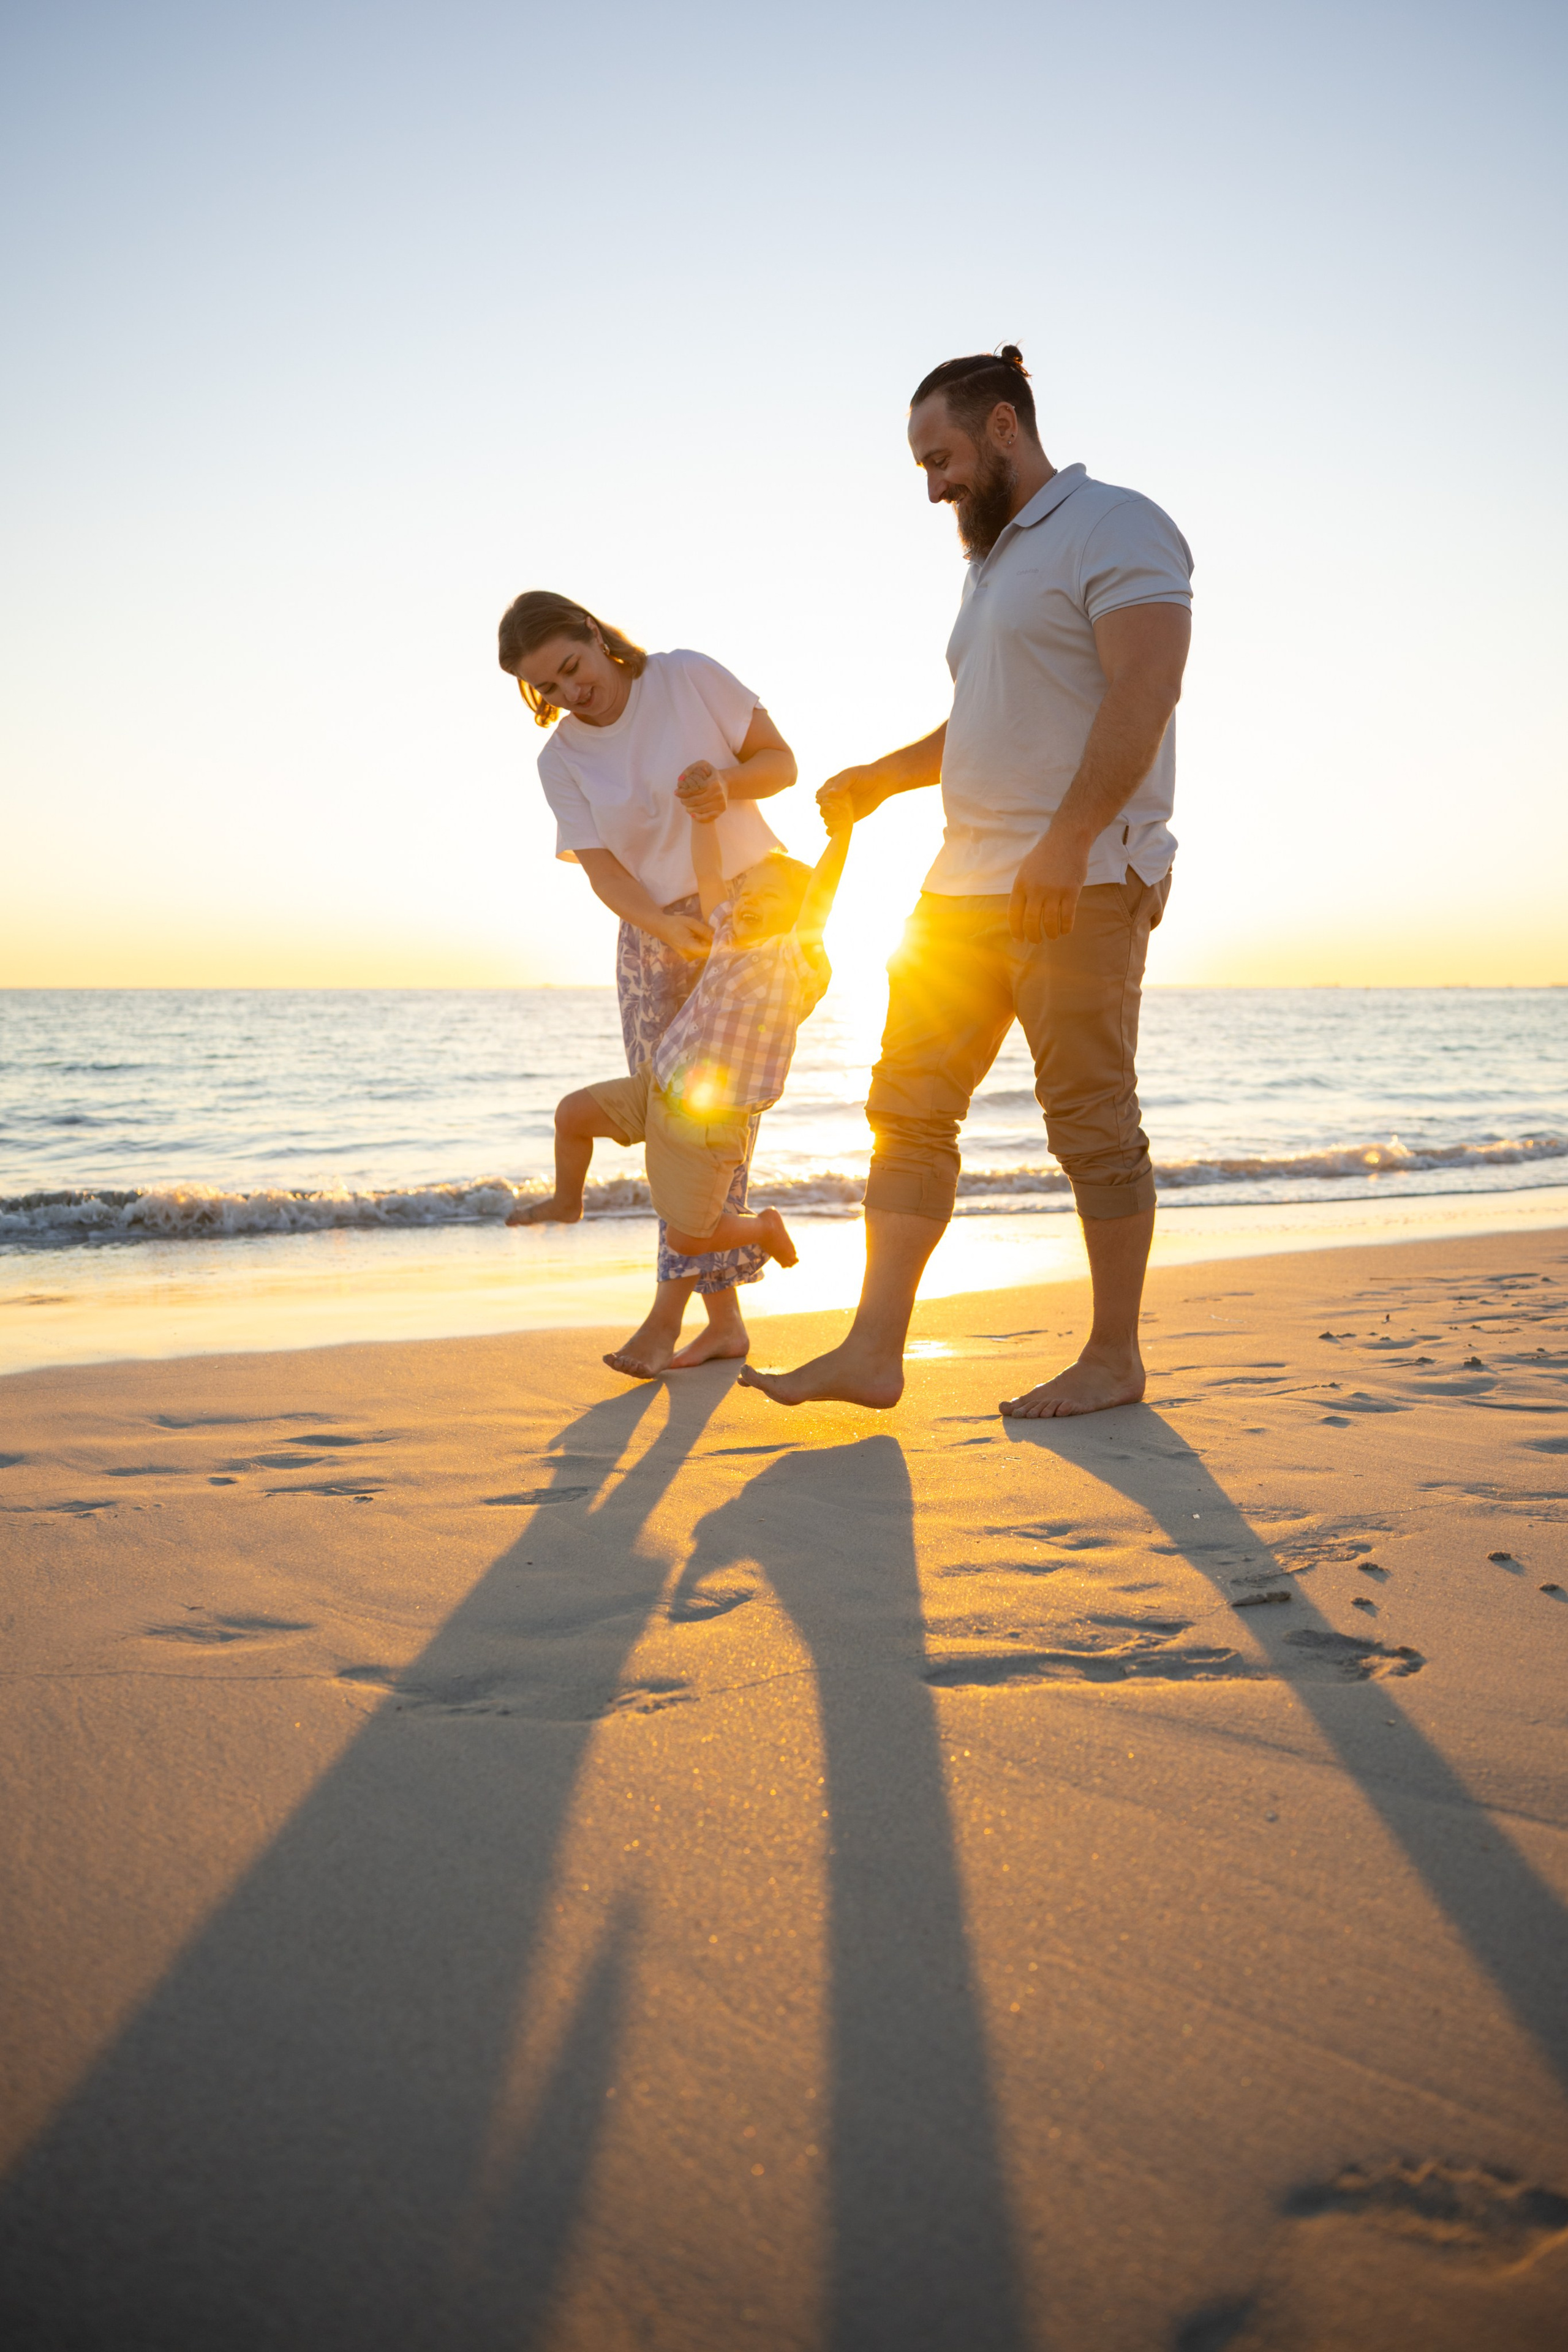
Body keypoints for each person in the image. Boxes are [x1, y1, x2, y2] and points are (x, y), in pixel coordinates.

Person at [739, 345, 1192, 1420]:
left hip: (1081, 877)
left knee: (1088, 1119)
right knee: (906, 1107)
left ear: (1001, 425)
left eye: (939, 458)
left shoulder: (1117, 524)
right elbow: (987, 721)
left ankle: (1114, 1358)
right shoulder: (989, 566)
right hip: (960, 886)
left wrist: (1068, 839)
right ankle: (872, 1351)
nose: (933, 486)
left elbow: (1146, 685)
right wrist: (881, 779)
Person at [496, 590, 797, 1378]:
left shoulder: (686, 677)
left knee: (707, 1128)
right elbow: (604, 873)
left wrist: (726, 785)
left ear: (594, 635)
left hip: (749, 915)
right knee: (670, 1129)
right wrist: (663, 927)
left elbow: (782, 764)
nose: (570, 693)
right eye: (547, 688)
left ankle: (666, 1322)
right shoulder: (560, 760)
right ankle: (723, 1324)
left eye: (572, 668)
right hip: (651, 935)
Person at [513, 801, 851, 1267]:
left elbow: (822, 896)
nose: (751, 900)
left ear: (799, 914)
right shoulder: (726, 933)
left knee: (687, 1240)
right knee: (571, 1116)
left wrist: (843, 831)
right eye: (749, 892)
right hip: (658, 1083)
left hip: (710, 1121)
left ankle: (764, 1228)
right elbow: (708, 873)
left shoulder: (794, 958)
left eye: (770, 896)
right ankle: (567, 1202)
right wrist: (703, 819)